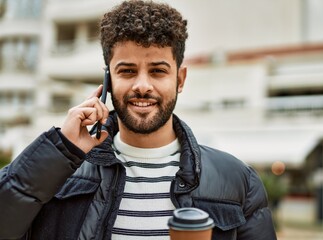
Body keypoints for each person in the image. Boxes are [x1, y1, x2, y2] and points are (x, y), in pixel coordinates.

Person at [0, 0, 277, 239]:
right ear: (108, 79)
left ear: (179, 79)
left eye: (157, 71)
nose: (142, 85)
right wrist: (61, 148)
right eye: (127, 71)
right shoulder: (58, 173)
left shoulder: (239, 181)